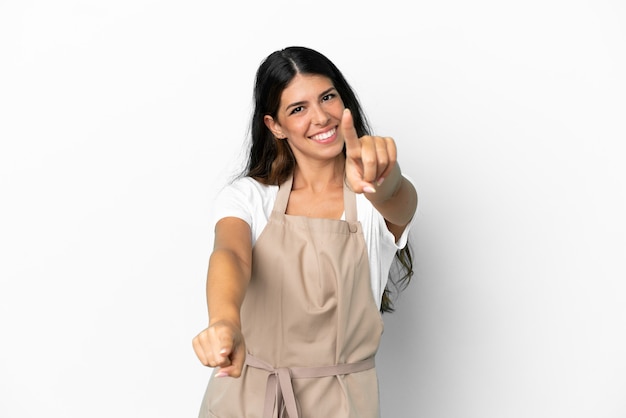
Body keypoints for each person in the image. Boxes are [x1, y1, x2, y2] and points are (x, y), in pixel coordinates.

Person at [192, 46, 418, 418]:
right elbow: (231, 254)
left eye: (328, 97)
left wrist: (385, 178)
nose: (321, 117)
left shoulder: (371, 201)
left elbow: (399, 199)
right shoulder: (250, 197)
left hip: (342, 404)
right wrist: (224, 321)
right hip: (245, 398)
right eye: (298, 109)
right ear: (275, 126)